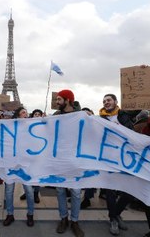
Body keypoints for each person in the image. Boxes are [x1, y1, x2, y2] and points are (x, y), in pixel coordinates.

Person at [99, 93, 133, 235]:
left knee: (128, 191)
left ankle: (116, 213)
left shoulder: (124, 116)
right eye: (104, 101)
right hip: (108, 158)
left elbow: (131, 133)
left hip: (124, 158)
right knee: (110, 191)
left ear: (115, 101)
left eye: (109, 100)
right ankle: (113, 219)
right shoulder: (100, 118)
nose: (106, 102)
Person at [53, 89, 84, 237]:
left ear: (67, 100)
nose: (56, 102)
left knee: (76, 192)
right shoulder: (56, 116)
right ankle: (64, 218)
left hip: (76, 160)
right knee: (60, 191)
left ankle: (75, 221)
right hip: (60, 159)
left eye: (59, 99)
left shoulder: (81, 116)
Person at [3, 107, 35, 227]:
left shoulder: (32, 128)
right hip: (11, 164)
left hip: (26, 165)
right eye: (23, 113)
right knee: (9, 191)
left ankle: (30, 214)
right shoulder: (10, 127)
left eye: (27, 112)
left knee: (29, 192)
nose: (26, 114)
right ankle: (10, 214)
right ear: (17, 116)